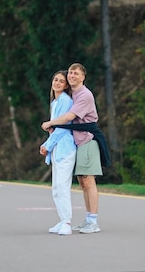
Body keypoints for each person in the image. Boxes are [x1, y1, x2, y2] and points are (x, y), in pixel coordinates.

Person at [41, 63, 102, 234]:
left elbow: (68, 118)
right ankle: (80, 220)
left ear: (83, 76)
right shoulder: (70, 96)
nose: (72, 75)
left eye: (76, 73)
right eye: (70, 73)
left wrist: (50, 124)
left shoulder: (83, 95)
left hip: (87, 141)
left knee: (88, 182)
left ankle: (92, 221)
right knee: (82, 182)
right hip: (76, 141)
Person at [40, 70, 76, 236]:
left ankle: (67, 223)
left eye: (61, 81)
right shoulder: (55, 102)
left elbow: (63, 127)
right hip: (57, 149)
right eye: (55, 80)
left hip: (65, 149)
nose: (57, 83)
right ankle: (62, 220)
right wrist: (49, 145)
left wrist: (47, 144)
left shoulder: (65, 101)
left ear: (66, 85)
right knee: (56, 188)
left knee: (62, 186)